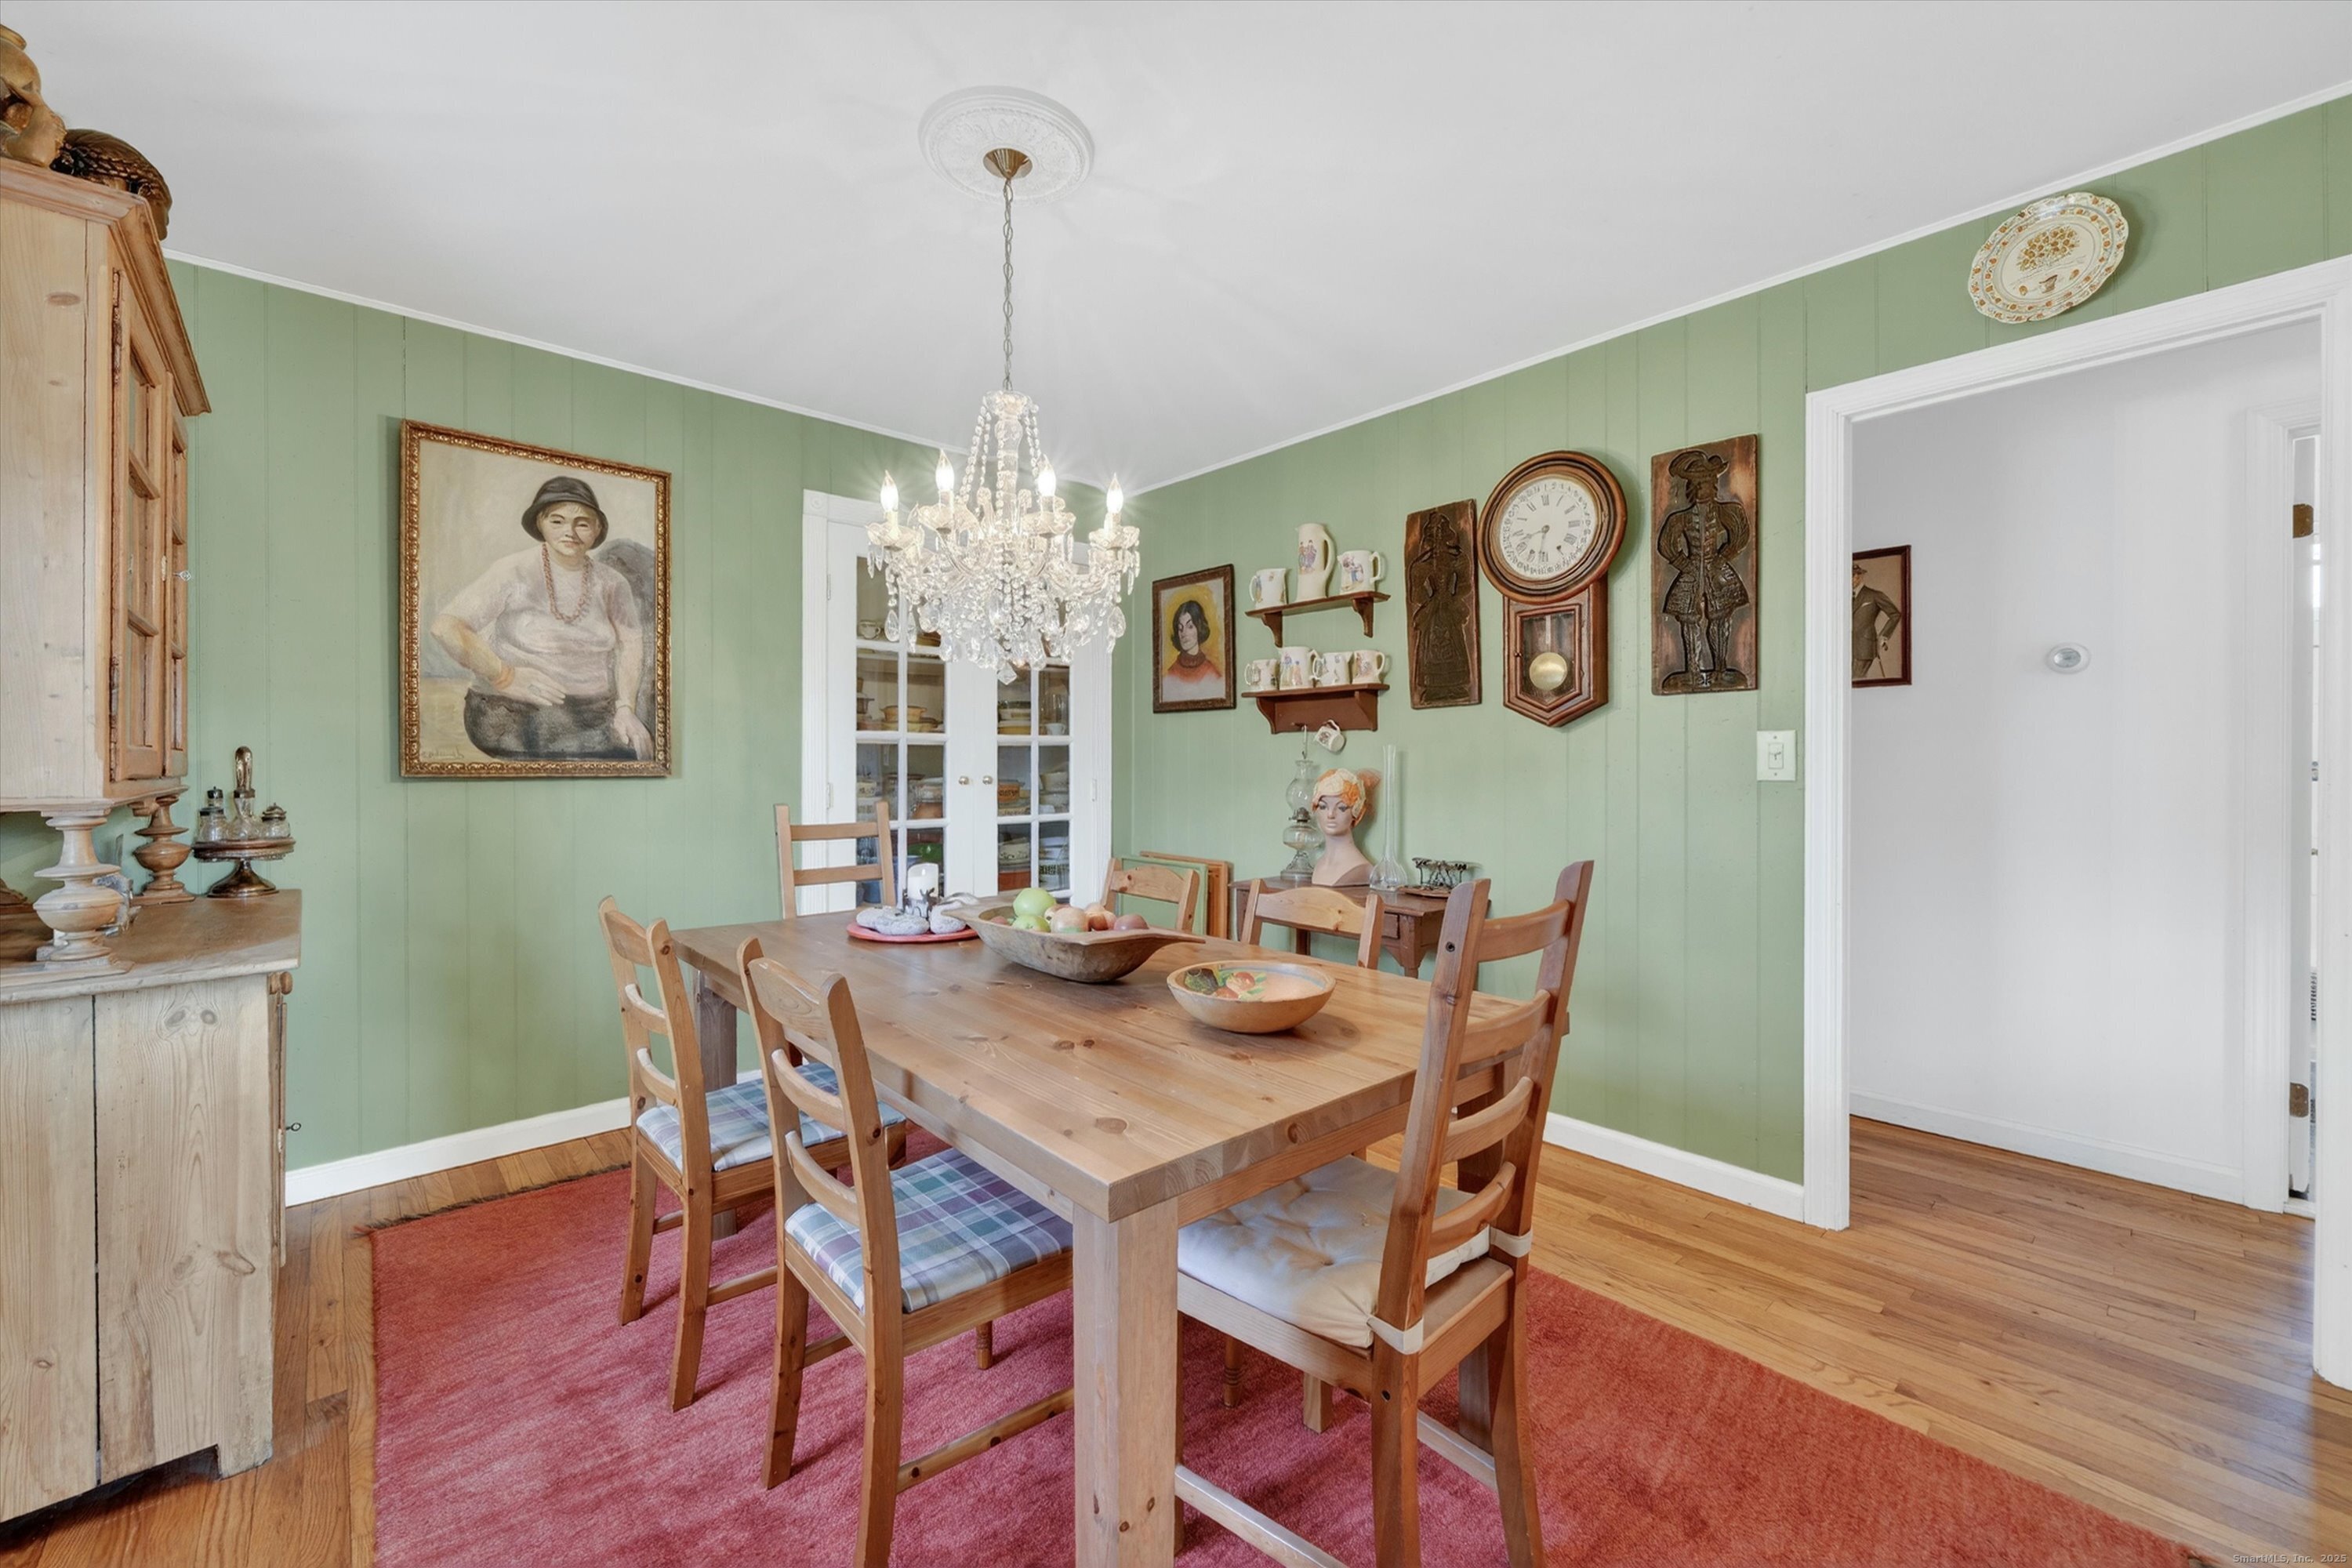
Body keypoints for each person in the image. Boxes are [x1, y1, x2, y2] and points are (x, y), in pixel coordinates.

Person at [430, 474, 651, 760]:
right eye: (557, 521)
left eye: (582, 523)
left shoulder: (612, 583)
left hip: (592, 712)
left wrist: (626, 709)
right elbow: (446, 626)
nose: (570, 531)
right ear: (540, 524)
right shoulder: (513, 571)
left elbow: (631, 643)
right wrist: (504, 676)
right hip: (510, 710)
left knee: (639, 749)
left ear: (597, 529)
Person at [1656, 447, 1752, 692]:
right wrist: (1684, 564)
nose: (1702, 490)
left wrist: (1723, 557)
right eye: (1697, 486)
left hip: (1716, 570)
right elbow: (1667, 544)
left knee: (1720, 618)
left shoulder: (1724, 511)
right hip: (1691, 571)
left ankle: (1720, 668)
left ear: (1714, 485)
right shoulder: (1681, 518)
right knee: (1689, 620)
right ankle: (1694, 671)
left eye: (1706, 484)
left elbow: (1740, 535)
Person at [1308, 767, 1374, 887]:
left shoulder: (1360, 868)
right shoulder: (1319, 865)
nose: (1330, 814)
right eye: (1323, 807)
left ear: (1356, 813)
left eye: (1342, 808)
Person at [1160, 596, 1225, 701]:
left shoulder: (1212, 672)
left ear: (1199, 628)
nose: (1184, 634)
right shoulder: (1170, 674)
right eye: (1180, 628)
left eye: (1190, 626)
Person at [1852, 561, 1904, 681]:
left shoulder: (1874, 595)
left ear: (1859, 576)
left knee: (1856, 680)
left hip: (1864, 647)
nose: (1853, 578)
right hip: (1844, 647)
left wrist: (1883, 636)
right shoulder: (1844, 596)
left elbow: (1895, 614)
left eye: (1855, 575)